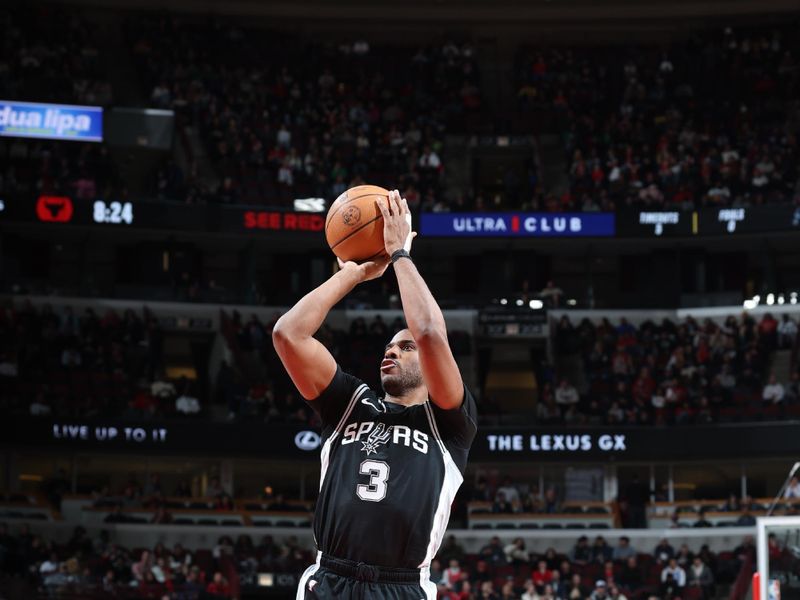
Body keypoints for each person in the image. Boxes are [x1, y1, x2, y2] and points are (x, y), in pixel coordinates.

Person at [273, 190, 477, 600]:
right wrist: (353, 274)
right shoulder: (349, 404)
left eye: (404, 347)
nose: (391, 351)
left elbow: (430, 333)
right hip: (329, 579)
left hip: (400, 588)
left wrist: (400, 254)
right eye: (387, 347)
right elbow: (288, 334)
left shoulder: (449, 423)